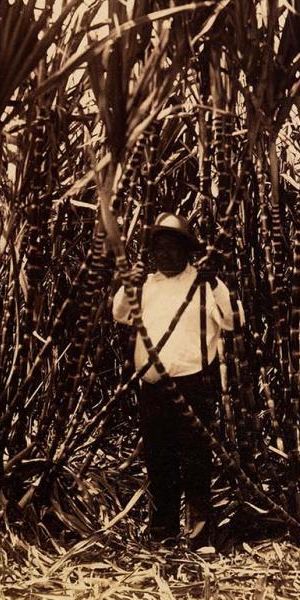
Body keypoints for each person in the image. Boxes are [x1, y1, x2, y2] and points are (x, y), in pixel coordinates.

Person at [112, 211, 243, 543]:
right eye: (159, 247)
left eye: (172, 247)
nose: (165, 253)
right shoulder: (147, 284)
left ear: (187, 251)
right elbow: (119, 314)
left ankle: (201, 538)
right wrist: (131, 282)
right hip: (152, 387)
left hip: (192, 385)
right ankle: (163, 533)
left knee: (195, 459)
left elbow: (233, 322)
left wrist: (215, 284)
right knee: (159, 460)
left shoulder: (204, 283)